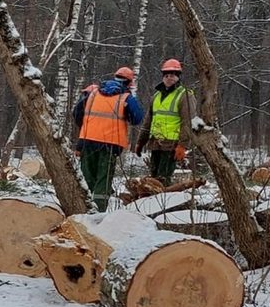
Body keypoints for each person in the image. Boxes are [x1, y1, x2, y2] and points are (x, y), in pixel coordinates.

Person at [73, 66, 144, 211]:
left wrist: (87, 127)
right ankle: (98, 213)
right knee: (103, 180)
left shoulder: (93, 93)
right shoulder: (126, 97)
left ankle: (82, 209)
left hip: (87, 140)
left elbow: (76, 112)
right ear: (130, 83)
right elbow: (137, 118)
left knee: (86, 177)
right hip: (110, 144)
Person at [135, 59, 195, 185]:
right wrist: (141, 141)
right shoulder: (156, 96)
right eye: (166, 75)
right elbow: (148, 121)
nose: (169, 78)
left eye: (172, 75)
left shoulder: (185, 95)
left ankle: (164, 202)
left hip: (171, 145)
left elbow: (188, 123)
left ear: (178, 77)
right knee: (153, 178)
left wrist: (183, 145)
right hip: (155, 143)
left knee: (163, 179)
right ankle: (151, 201)